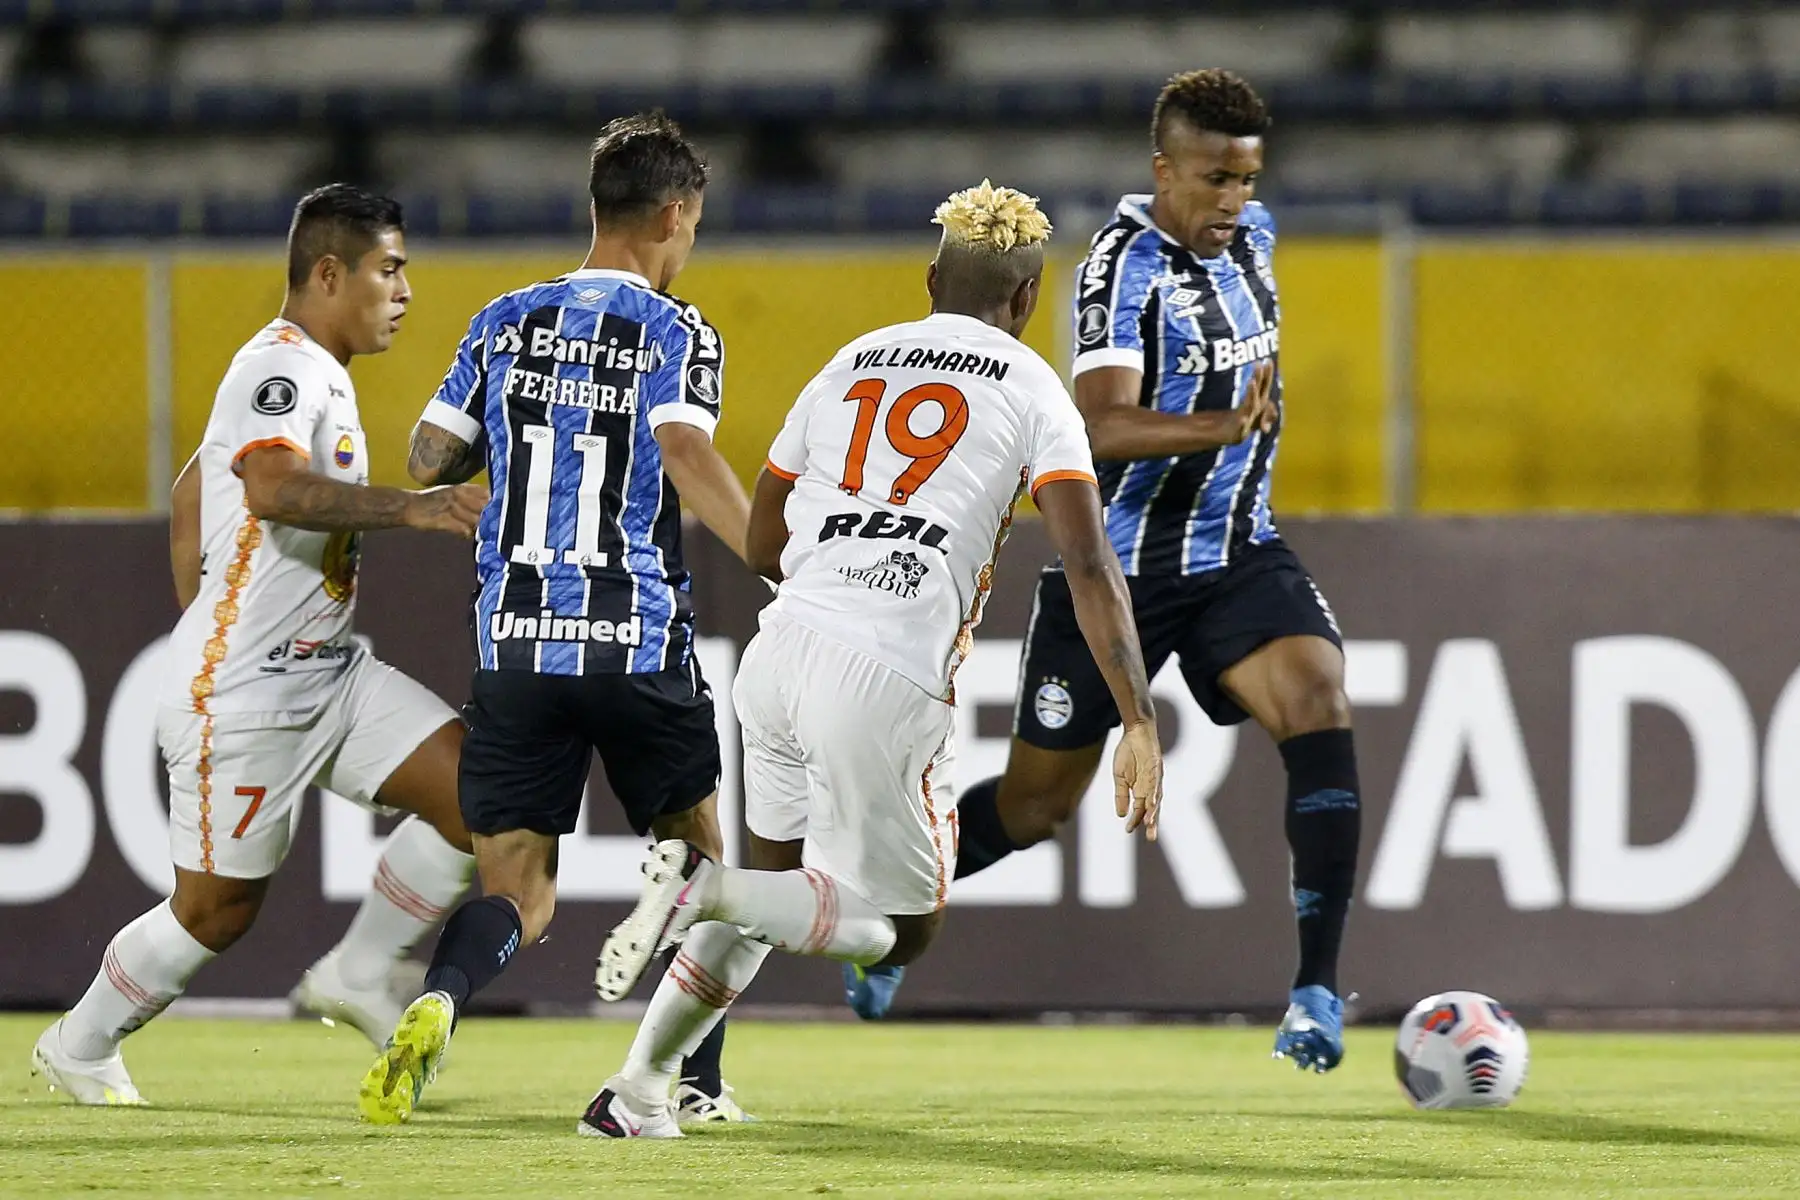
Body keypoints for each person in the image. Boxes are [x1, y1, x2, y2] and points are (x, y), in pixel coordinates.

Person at [580, 180, 1165, 1138]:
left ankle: (640, 1090)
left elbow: (765, 540)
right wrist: (1137, 717)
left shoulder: (847, 361)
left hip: (779, 652)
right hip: (887, 668)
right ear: (1026, 300)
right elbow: (1088, 559)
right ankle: (703, 884)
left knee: (775, 900)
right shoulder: (1033, 390)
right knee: (901, 930)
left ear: (931, 277)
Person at [857, 69, 1361, 1074]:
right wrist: (1223, 425)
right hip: (1118, 573)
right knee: (1040, 807)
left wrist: (1234, 447)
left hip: (1235, 547)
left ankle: (1314, 991)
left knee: (1319, 699)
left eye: (1248, 181)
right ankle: (883, 905)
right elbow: (1098, 425)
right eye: (1214, 179)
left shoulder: (1255, 244)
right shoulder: (1116, 271)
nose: (1233, 202)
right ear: (1162, 168)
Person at [32, 184, 487, 1105]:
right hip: (245, 696)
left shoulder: (320, 372)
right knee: (215, 912)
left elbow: (190, 490)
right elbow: (272, 489)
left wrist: (205, 608)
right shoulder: (278, 368)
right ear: (329, 272)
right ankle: (78, 1045)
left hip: (331, 677)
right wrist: (413, 507)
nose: (404, 291)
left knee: (484, 795)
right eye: (388, 270)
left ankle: (357, 973)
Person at [356, 112, 755, 1129]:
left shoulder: (502, 320)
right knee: (698, 863)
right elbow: (682, 450)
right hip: (636, 639)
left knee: (517, 893)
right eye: (694, 227)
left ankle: (441, 996)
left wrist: (524, 425)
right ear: (674, 214)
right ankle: (692, 1084)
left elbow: (427, 458)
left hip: (518, 645)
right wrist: (773, 556)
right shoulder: (679, 329)